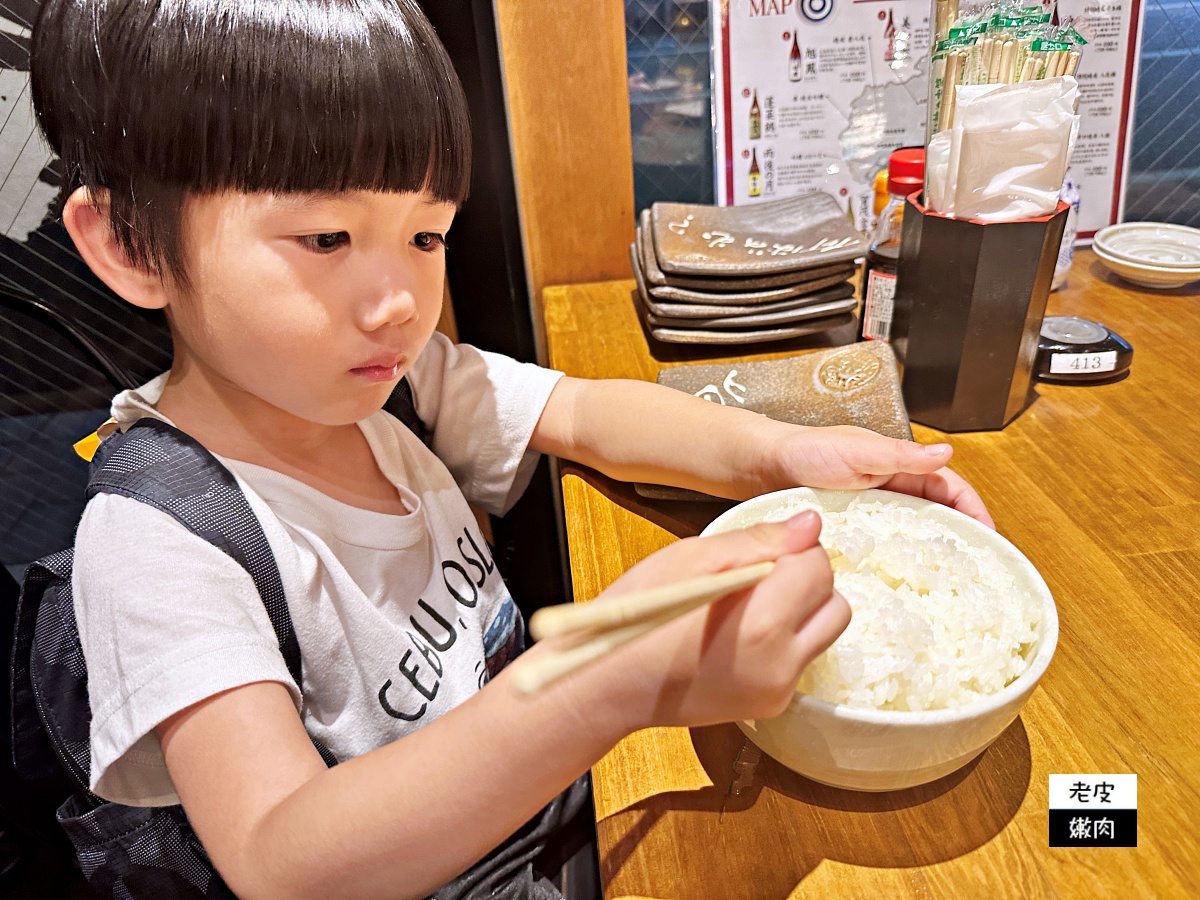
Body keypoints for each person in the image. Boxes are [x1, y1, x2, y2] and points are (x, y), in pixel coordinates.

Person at [29, 1, 992, 897]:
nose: (400, 300)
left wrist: (787, 454)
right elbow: (282, 859)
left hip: (559, 803)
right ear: (131, 245)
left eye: (425, 234)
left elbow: (587, 414)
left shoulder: (390, 384)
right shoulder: (158, 539)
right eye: (327, 237)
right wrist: (603, 685)